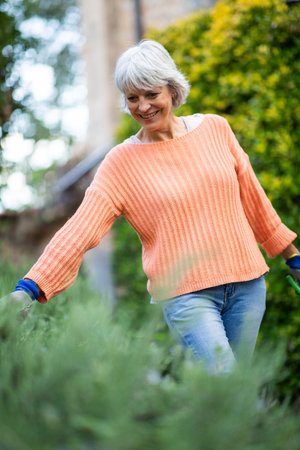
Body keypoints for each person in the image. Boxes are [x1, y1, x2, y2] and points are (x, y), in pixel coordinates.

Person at [6, 40, 300, 374]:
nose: (142, 106)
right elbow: (80, 230)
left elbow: (253, 198)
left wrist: (292, 256)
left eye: (151, 94)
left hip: (248, 285)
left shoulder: (215, 129)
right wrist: (28, 289)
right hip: (187, 296)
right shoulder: (120, 163)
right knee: (226, 380)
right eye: (132, 98)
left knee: (231, 400)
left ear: (172, 90)